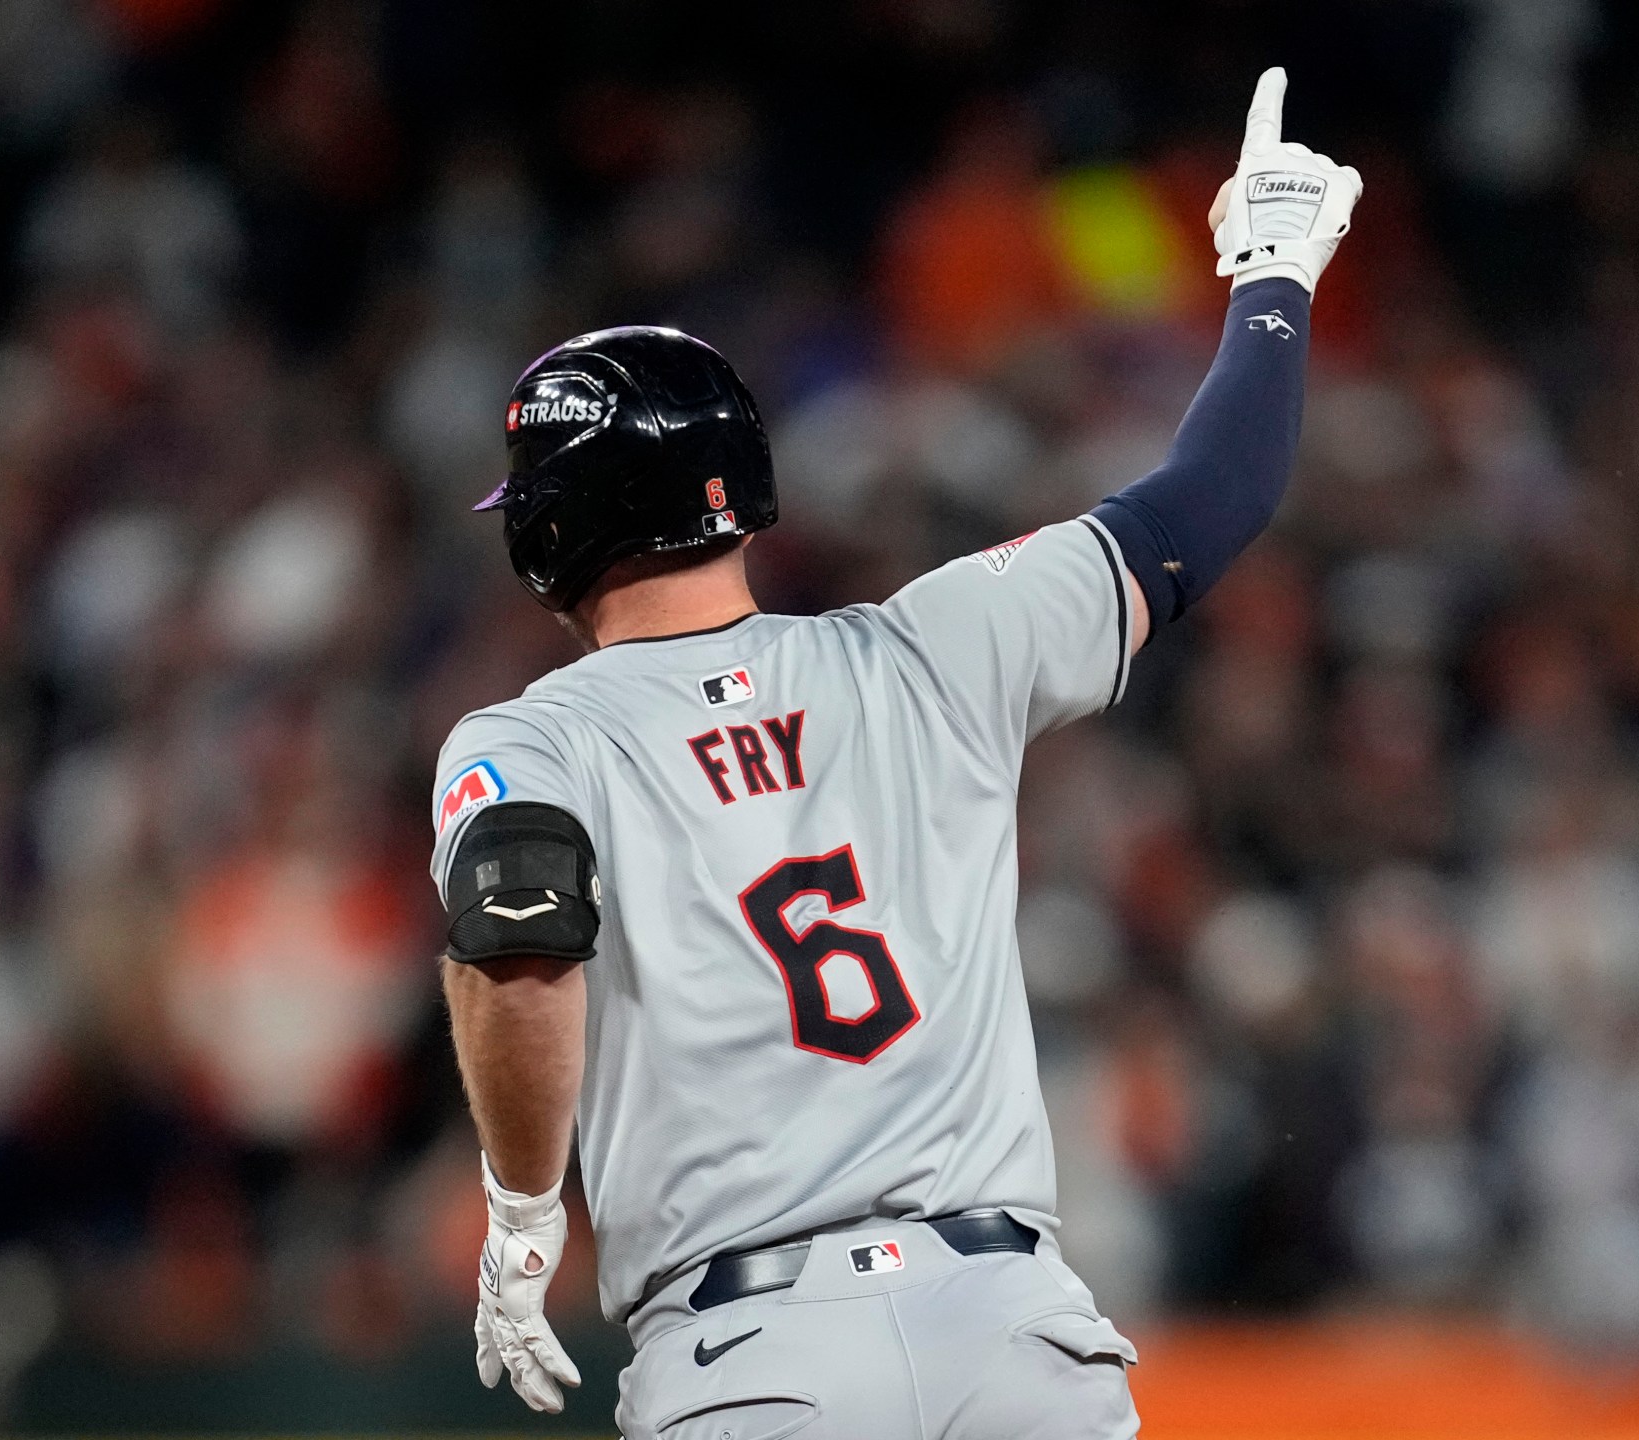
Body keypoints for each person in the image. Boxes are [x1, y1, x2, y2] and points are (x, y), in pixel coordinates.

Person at [430, 69, 1358, 1438]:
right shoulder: (936, 643)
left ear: (548, 529)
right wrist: (1272, 277)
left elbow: (518, 936)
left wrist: (519, 1213)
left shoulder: (536, 739)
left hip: (751, 1352)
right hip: (1012, 1332)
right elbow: (1214, 497)